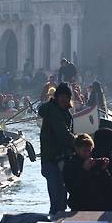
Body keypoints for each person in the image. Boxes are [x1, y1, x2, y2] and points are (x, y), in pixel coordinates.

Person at [37, 82, 76, 215]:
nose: (64, 99)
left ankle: (59, 221)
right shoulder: (53, 112)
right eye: (62, 96)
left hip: (59, 159)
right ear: (57, 97)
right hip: (52, 160)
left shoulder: (63, 112)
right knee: (58, 199)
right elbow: (63, 135)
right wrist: (80, 143)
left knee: (60, 198)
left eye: (67, 97)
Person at [63, 131, 112, 212]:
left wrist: (103, 170)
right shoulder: (71, 164)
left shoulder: (94, 162)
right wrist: (84, 170)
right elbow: (72, 188)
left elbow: (107, 186)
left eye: (90, 150)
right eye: (85, 151)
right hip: (81, 204)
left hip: (100, 203)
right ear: (77, 149)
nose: (88, 154)